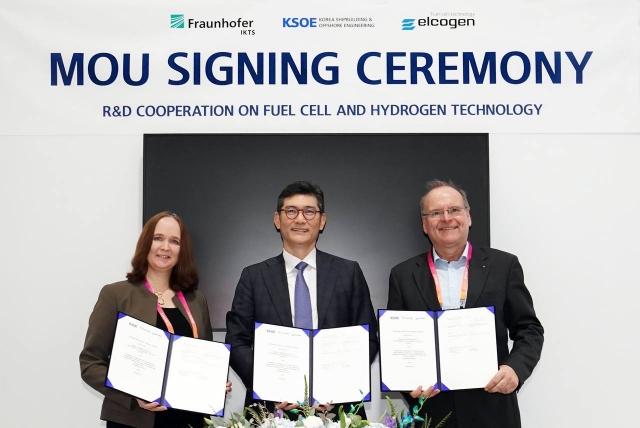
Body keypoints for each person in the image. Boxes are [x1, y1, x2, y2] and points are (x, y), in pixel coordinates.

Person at [387, 180, 544, 428]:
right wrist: (408, 385)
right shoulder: (403, 275)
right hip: (432, 412)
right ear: (425, 225)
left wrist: (515, 370)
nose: (446, 218)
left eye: (454, 210)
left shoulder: (504, 266)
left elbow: (529, 329)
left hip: (493, 408)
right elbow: (395, 342)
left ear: (468, 216)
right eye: (436, 213)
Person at [225, 181, 378, 417]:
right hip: (269, 410)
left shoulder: (349, 272)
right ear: (277, 219)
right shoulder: (253, 276)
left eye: (309, 211)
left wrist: (338, 389)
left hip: (337, 409)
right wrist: (270, 388)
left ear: (322, 220)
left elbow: (367, 338)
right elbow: (237, 341)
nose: (300, 219)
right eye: (291, 211)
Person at [80, 211, 231, 428]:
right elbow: (90, 363)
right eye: (158, 238)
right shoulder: (116, 295)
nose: (165, 247)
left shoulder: (196, 300)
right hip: (133, 420)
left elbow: (203, 358)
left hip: (188, 421)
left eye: (174, 241)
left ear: (182, 250)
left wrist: (214, 383)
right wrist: (131, 395)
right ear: (145, 243)